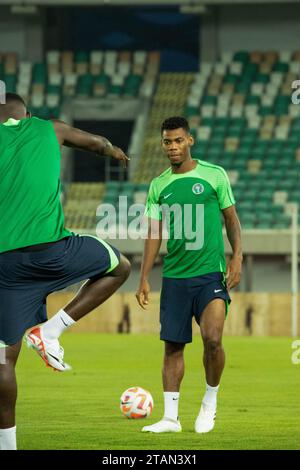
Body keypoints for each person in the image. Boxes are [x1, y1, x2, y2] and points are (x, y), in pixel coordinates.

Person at [0, 93, 131, 450]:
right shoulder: (49, 128)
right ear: (27, 114)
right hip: (52, 252)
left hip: (5, 267)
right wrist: (114, 152)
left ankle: (7, 447)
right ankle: (51, 331)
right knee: (120, 267)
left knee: (3, 359)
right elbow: (96, 142)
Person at [136, 116, 242, 434]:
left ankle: (209, 403)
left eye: (178, 140)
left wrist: (237, 257)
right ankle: (170, 418)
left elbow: (232, 220)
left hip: (210, 273)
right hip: (175, 277)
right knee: (173, 347)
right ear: (162, 144)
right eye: (167, 141)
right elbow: (154, 234)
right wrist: (143, 277)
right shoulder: (158, 185)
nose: (173, 146)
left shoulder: (214, 175)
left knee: (212, 339)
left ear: (190, 141)